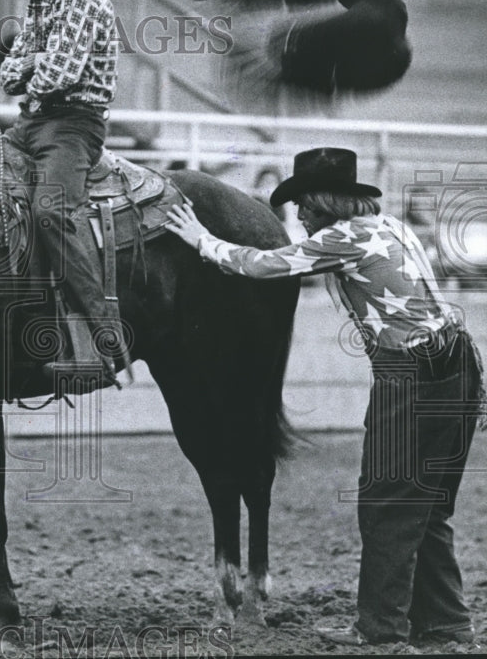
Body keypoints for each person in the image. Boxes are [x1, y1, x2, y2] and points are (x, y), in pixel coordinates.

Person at [165, 147, 485, 648]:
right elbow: (439, 304)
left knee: (386, 505)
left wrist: (203, 240)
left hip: (411, 376)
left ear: (321, 203)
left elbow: (267, 265)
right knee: (429, 507)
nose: (299, 216)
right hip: (457, 363)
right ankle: (445, 624)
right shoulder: (392, 226)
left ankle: (380, 627)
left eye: (302, 206)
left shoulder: (342, 238)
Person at [0, 0, 125, 388]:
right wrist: (31, 66)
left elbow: (57, 72)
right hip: (34, 120)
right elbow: (12, 70)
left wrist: (31, 66)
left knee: (53, 210)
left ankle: (103, 333)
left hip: (75, 125)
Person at [205, 0, 412, 115]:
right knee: (294, 42)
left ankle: (285, 72)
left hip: (384, 59)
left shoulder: (364, 9)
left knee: (293, 43)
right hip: (386, 52)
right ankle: (287, 71)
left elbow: (315, 34)